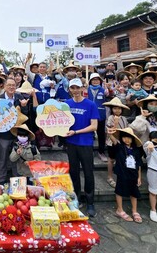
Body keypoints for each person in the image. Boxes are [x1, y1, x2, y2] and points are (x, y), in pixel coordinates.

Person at [65, 78, 99, 217]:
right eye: (72, 88)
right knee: (73, 172)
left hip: (85, 143)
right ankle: (76, 198)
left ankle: (90, 202)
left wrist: (76, 132)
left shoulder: (90, 104)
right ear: (69, 89)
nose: (75, 91)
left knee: (88, 172)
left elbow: (94, 126)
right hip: (71, 143)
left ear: (82, 89)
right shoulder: (66, 104)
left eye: (77, 88)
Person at [108, 128, 143, 223]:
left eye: (129, 138)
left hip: (133, 174)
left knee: (134, 192)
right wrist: (110, 134)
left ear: (133, 139)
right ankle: (120, 209)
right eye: (124, 137)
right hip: (122, 173)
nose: (126, 140)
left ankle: (134, 210)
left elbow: (138, 164)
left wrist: (139, 177)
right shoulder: (119, 147)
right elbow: (114, 140)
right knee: (119, 191)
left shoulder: (136, 150)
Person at [103, 97, 130, 188]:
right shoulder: (110, 118)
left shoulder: (124, 119)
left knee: (121, 159)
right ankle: (109, 177)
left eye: (119, 108)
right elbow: (110, 130)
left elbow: (126, 129)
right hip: (112, 141)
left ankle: (121, 176)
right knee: (111, 159)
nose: (117, 110)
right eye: (115, 108)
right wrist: (115, 122)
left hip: (122, 141)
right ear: (112, 109)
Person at [87, 73, 109, 163]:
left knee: (101, 134)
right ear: (90, 81)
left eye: (97, 80)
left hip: (100, 114)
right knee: (89, 134)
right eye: (93, 80)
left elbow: (109, 94)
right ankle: (89, 151)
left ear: (100, 81)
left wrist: (109, 89)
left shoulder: (104, 90)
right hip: (89, 114)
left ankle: (101, 152)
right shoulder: (86, 90)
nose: (95, 81)